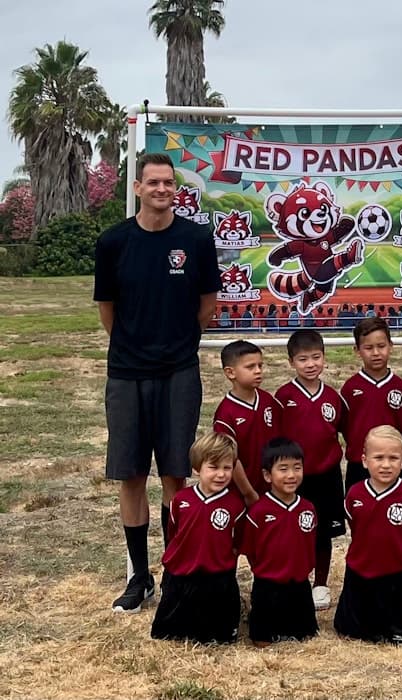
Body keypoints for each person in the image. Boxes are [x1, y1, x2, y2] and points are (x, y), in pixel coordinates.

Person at [93, 152, 221, 613]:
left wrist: (177, 341)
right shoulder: (113, 242)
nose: (162, 189)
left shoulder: (196, 238)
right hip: (126, 374)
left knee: (174, 474)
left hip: (178, 372)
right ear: (138, 187)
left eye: (169, 182)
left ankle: (174, 572)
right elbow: (107, 310)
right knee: (130, 475)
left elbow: (208, 303)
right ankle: (138, 576)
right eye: (154, 182)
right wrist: (134, 345)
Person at [274, 330, 346, 611]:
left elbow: (339, 433)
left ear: (324, 359)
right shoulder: (284, 396)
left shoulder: (333, 397)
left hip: (326, 475)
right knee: (294, 529)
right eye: (303, 359)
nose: (310, 364)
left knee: (323, 533)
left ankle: (321, 584)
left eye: (316, 357)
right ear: (292, 362)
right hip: (295, 479)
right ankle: (294, 578)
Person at [151, 432, 245, 643]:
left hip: (218, 577)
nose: (221, 474)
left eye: (227, 468)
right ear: (197, 468)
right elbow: (173, 534)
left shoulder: (235, 505)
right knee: (169, 635)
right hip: (182, 575)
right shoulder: (180, 501)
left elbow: (238, 541)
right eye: (213, 467)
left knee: (219, 640)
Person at [334, 426, 402, 643]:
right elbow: (356, 525)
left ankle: (396, 629)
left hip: (395, 570)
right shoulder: (354, 494)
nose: (385, 465)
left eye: (393, 458)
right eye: (378, 457)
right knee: (353, 631)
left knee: (396, 629)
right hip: (360, 568)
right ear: (364, 460)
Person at [242, 438, 318, 646]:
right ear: (268, 475)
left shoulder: (308, 508)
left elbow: (310, 544)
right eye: (283, 469)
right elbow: (250, 549)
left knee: (306, 637)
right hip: (268, 584)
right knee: (262, 641)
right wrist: (263, 570)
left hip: (299, 583)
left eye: (297, 468)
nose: (291, 475)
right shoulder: (259, 511)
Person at [340, 317, 402, 491]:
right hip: (359, 464)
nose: (376, 353)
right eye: (368, 348)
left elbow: (401, 427)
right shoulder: (350, 388)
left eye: (381, 346)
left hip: (391, 464)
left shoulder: (400, 387)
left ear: (391, 346)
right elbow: (345, 429)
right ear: (357, 350)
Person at [213, 340, 282, 497]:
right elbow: (230, 459)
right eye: (250, 367)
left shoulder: (268, 400)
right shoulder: (225, 413)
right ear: (230, 373)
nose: (258, 371)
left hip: (273, 487)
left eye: (260, 366)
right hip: (241, 493)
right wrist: (248, 493)